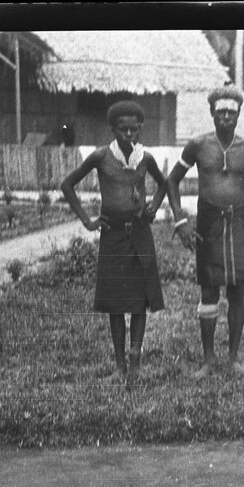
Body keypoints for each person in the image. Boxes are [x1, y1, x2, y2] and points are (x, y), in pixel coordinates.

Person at [60, 100, 167, 388]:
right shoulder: (100, 157)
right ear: (113, 129)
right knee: (116, 304)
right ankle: (119, 367)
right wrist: (88, 220)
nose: (129, 135)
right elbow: (67, 185)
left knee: (139, 302)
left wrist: (153, 207)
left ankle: (135, 365)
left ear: (141, 128)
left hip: (140, 235)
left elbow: (164, 184)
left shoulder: (146, 159)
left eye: (134, 129)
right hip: (113, 236)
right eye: (123, 130)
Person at [165, 84, 244, 376]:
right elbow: (171, 181)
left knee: (237, 291)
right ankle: (209, 359)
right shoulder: (198, 145)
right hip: (208, 222)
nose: (225, 117)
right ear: (211, 112)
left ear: (238, 115)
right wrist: (180, 220)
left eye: (231, 112)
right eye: (220, 111)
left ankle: (233, 358)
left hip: (238, 223)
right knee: (209, 289)